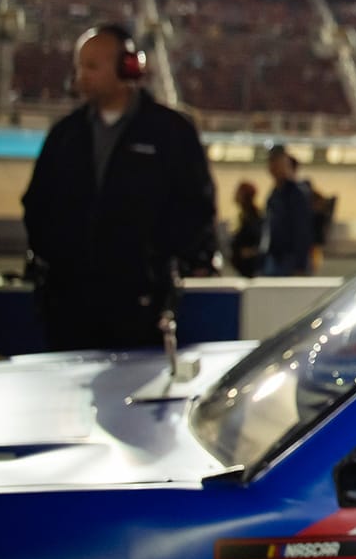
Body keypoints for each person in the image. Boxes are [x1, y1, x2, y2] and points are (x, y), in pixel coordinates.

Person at [20, 23, 217, 351]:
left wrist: (152, 261)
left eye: (92, 66)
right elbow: (36, 206)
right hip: (68, 310)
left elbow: (197, 207)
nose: (82, 75)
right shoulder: (65, 135)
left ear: (128, 68)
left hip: (142, 311)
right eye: (80, 65)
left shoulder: (171, 132)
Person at [259, 145, 314, 275]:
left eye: (276, 162)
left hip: (289, 259)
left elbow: (302, 230)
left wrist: (300, 264)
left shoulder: (296, 194)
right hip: (275, 257)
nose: (272, 167)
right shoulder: (274, 194)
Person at [227, 180, 265, 277]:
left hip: (250, 268)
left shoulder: (253, 217)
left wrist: (249, 251)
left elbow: (257, 241)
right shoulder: (244, 216)